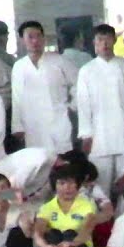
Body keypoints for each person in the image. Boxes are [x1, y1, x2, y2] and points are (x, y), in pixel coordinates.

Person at [76, 23, 124, 193]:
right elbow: (83, 105)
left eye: (108, 39)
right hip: (99, 136)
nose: (104, 44)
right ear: (94, 42)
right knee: (100, 186)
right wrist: (86, 135)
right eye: (100, 39)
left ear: (115, 40)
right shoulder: (87, 71)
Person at [32, 163, 98, 247]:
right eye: (62, 183)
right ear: (55, 186)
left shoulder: (87, 205)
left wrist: (71, 243)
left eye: (71, 183)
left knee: (70, 233)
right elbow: (38, 232)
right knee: (52, 236)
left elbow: (86, 231)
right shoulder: (47, 208)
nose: (67, 187)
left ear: (77, 185)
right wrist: (46, 246)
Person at [11, 20, 77, 153]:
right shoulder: (19, 67)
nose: (35, 41)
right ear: (22, 40)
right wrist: (17, 126)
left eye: (38, 36)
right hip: (32, 124)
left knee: (63, 159)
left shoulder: (59, 61)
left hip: (58, 120)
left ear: (43, 38)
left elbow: (79, 85)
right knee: (37, 160)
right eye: (30, 37)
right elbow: (16, 99)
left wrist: (72, 107)